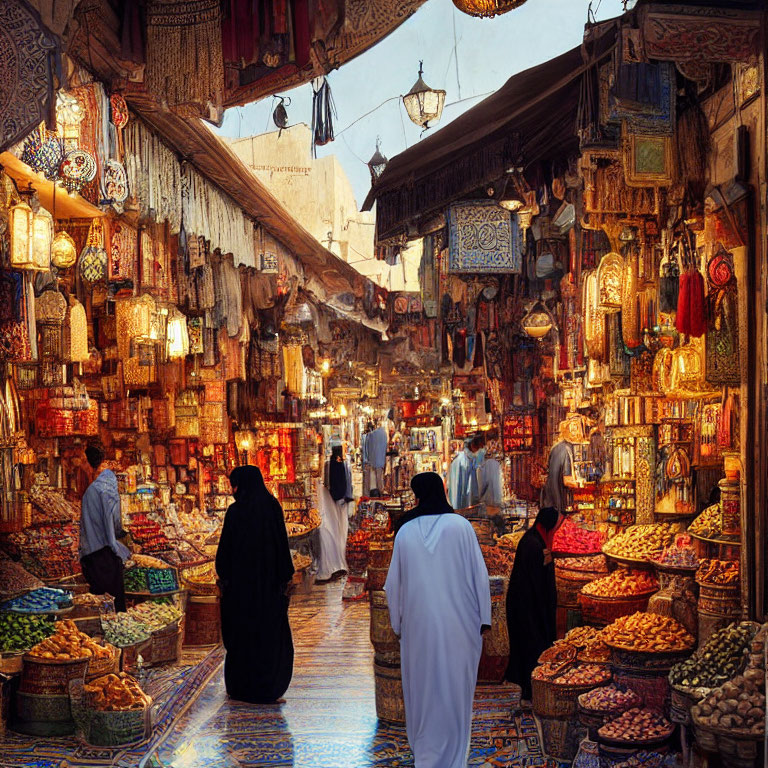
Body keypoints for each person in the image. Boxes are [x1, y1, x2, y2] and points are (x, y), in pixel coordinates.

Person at [385, 472, 491, 768]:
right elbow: (479, 577)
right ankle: (454, 755)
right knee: (455, 690)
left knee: (423, 689)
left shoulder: (405, 533)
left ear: (417, 495)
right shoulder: (461, 527)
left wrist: (398, 624)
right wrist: (483, 620)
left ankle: (426, 754)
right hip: (460, 626)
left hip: (419, 630)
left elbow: (394, 586)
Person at [216, 465, 295, 704]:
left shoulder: (235, 512)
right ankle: (269, 687)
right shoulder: (272, 508)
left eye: (235, 486)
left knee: (242, 638)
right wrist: (285, 577)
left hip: (240, 594)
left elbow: (224, 556)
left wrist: (226, 579)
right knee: (269, 637)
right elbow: (282, 548)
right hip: (269, 592)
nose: (234, 491)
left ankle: (242, 687)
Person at [505, 506, 562, 703]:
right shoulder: (533, 544)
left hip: (527, 604)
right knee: (531, 646)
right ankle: (530, 690)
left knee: (529, 645)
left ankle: (527, 686)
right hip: (527, 607)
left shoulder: (536, 539)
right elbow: (536, 581)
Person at [79, 442, 129, 613]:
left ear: (89, 462)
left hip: (99, 555)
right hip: (106, 554)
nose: (80, 464)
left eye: (82, 460)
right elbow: (115, 522)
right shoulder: (106, 486)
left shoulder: (96, 490)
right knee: (114, 604)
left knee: (105, 606)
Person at [316, 445, 352, 580]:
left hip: (332, 498)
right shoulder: (340, 464)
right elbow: (344, 483)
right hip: (339, 498)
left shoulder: (329, 464)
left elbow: (328, 482)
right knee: (339, 527)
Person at [540, 420, 580, 514]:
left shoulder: (555, 448)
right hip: (560, 503)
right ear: (567, 432)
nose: (578, 433)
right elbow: (567, 480)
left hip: (549, 499)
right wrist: (579, 484)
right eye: (574, 430)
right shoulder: (567, 450)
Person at [448, 434, 485, 509]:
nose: (478, 450)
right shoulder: (463, 462)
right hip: (461, 507)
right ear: (472, 446)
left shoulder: (469, 459)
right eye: (478, 447)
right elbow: (464, 489)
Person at [367, 421, 388, 495]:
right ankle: (380, 490)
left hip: (374, 459)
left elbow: (369, 446)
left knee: (376, 476)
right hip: (380, 459)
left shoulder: (373, 434)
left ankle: (378, 491)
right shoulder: (383, 434)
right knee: (379, 475)